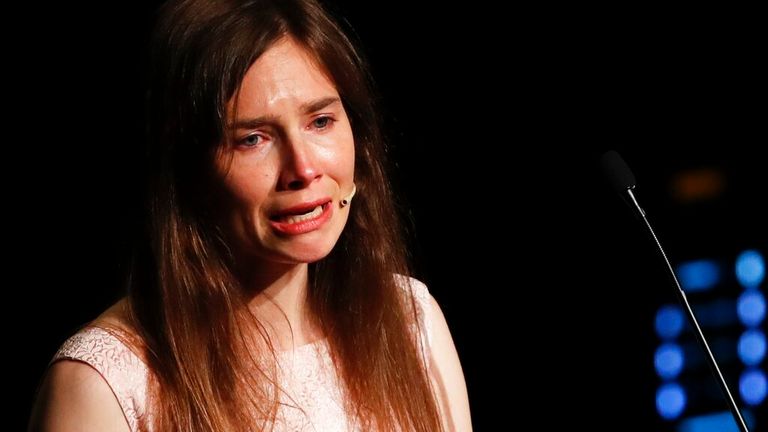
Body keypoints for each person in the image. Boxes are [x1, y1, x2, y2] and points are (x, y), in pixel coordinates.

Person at [28, 0, 472, 431]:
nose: (304, 169)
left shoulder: (411, 322)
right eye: (253, 139)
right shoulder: (108, 384)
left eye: (320, 122)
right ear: (185, 171)